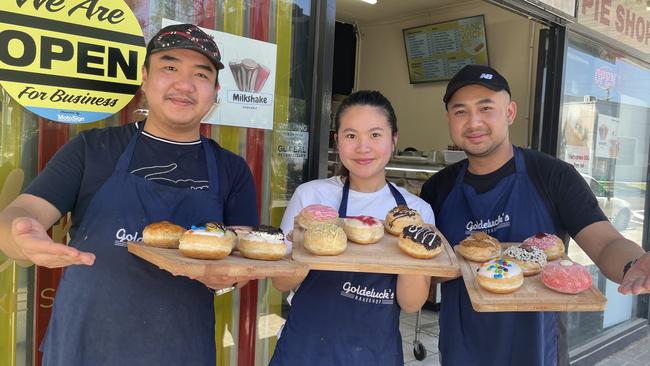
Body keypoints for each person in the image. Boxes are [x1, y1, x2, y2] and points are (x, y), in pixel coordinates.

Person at [0, 24, 259, 365]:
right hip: (84, 348)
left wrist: (226, 279)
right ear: (145, 77)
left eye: (200, 74)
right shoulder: (91, 149)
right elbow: (22, 212)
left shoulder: (231, 169)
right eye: (169, 67)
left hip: (180, 351)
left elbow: (243, 254)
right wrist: (20, 237)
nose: (184, 84)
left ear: (215, 91)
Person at [420, 64, 650, 366]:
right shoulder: (438, 188)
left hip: (538, 351)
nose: (474, 122)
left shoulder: (553, 175)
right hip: (463, 349)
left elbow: (605, 242)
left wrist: (634, 264)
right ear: (450, 119)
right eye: (460, 111)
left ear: (510, 112)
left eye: (486, 108)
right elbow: (429, 270)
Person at [269, 90, 434, 365]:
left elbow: (411, 303)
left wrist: (409, 248)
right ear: (337, 140)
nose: (363, 147)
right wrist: (306, 241)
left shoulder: (415, 213)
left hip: (374, 352)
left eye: (375, 134)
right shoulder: (311, 197)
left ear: (394, 139)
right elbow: (280, 282)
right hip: (305, 349)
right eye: (351, 135)